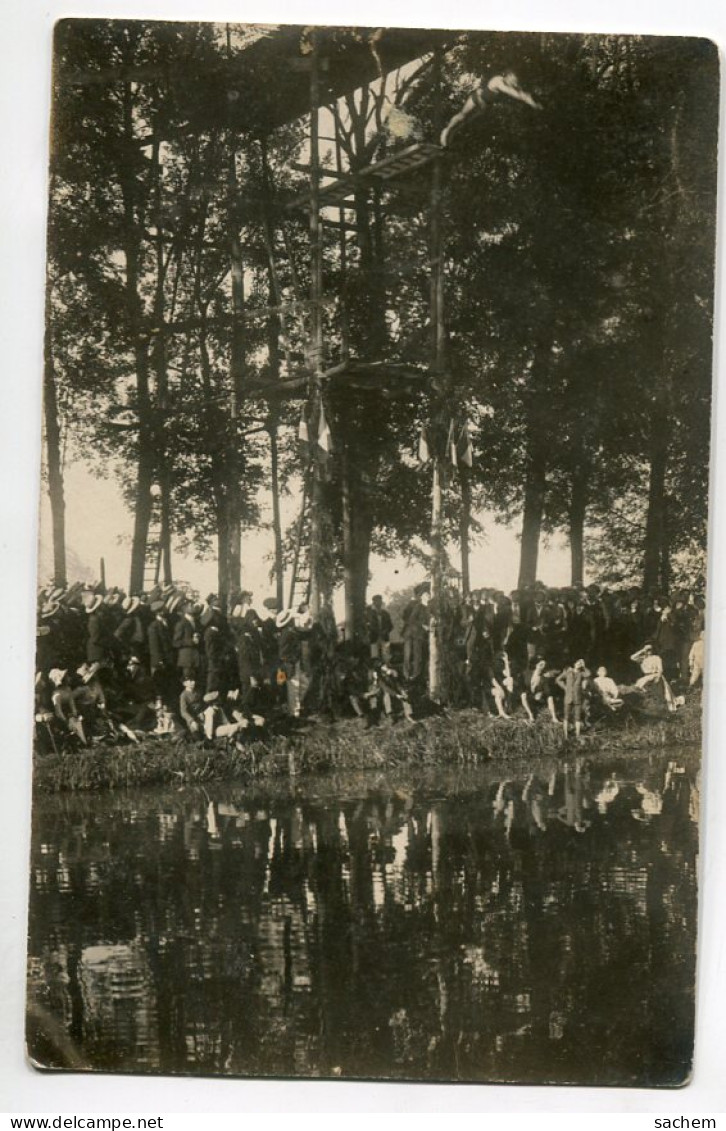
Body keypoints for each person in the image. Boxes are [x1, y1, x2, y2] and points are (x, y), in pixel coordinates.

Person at [556, 659, 590, 740]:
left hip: (577, 697)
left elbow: (588, 674)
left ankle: (578, 735)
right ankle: (565, 735)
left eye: (580, 663)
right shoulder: (568, 672)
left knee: (577, 717)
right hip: (568, 697)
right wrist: (565, 687)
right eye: (577, 663)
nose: (578, 664)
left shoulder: (581, 673)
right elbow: (558, 679)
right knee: (566, 716)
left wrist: (584, 666)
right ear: (574, 663)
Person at [402, 584, 430, 681]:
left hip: (420, 635)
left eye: (429, 594)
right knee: (408, 655)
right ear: (421, 597)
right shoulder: (417, 606)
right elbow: (411, 619)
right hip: (411, 633)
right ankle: (407, 675)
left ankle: (416, 676)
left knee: (418, 655)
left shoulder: (429, 608)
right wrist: (422, 625)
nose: (428, 596)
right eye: (426, 595)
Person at [366, 595, 393, 661]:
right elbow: (367, 625)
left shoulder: (385, 613)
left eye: (380, 601)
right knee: (374, 656)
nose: (379, 603)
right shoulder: (369, 613)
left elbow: (390, 626)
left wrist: (386, 631)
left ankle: (385, 668)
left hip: (384, 637)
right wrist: (372, 631)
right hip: (374, 637)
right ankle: (376, 669)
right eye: (377, 601)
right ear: (374, 602)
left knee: (386, 656)